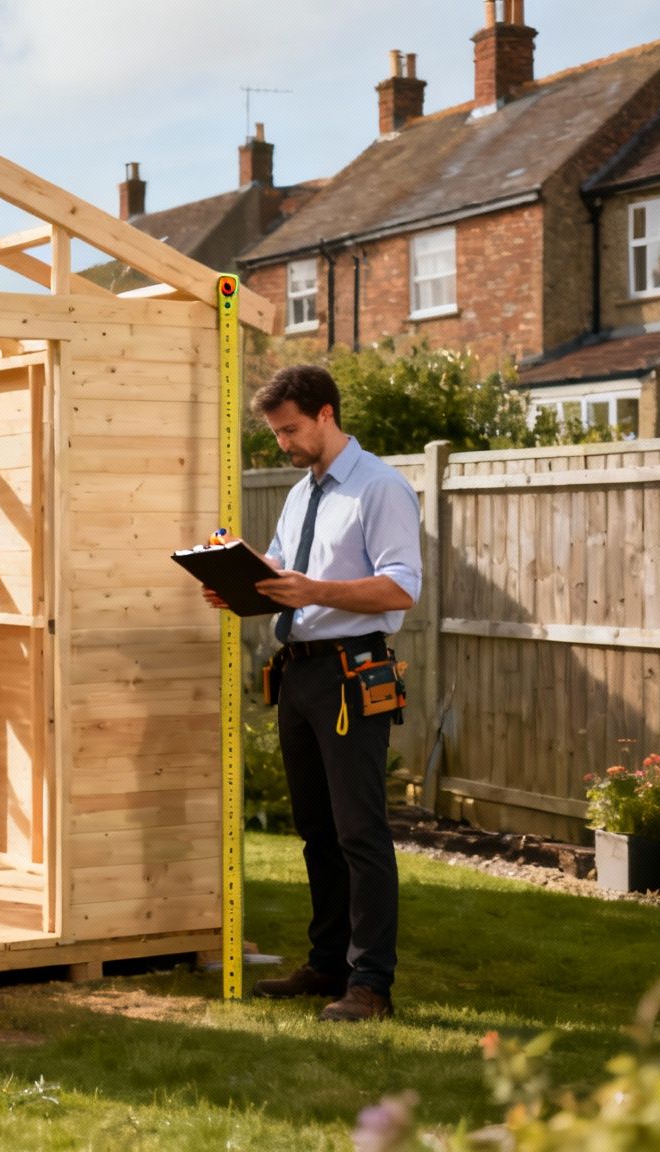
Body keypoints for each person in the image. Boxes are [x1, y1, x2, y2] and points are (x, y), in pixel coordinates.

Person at [202, 364, 421, 1022]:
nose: (284, 444)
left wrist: (314, 591)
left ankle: (371, 984)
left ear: (326, 414)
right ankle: (327, 965)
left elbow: (401, 587)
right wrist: (238, 581)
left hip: (352, 675)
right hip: (297, 672)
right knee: (316, 831)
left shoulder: (381, 488)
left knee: (360, 831)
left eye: (290, 430)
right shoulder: (303, 493)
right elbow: (280, 570)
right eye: (275, 434)